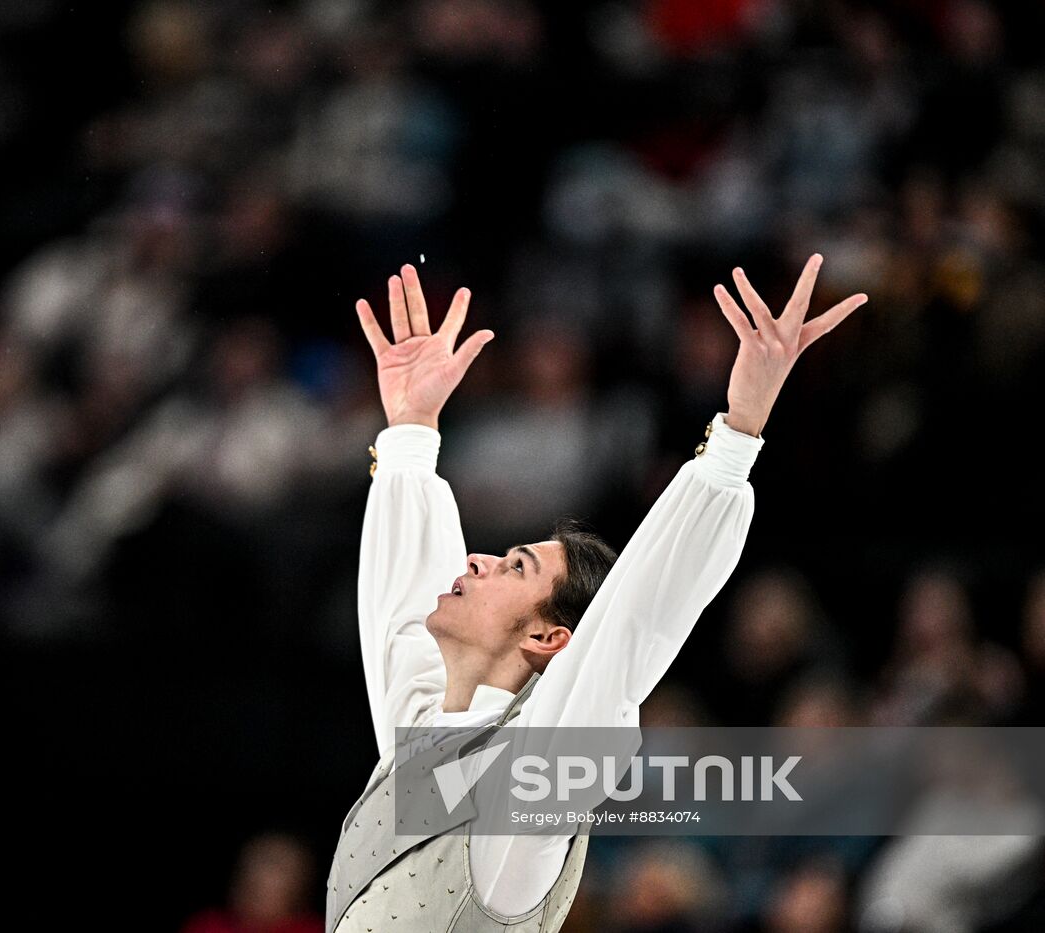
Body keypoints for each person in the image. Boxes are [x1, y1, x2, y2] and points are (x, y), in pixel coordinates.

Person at [327, 258, 867, 932]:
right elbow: (400, 606)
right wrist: (410, 428)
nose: (478, 558)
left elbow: (633, 621)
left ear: (549, 638)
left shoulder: (529, 788)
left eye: (515, 566)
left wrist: (738, 431)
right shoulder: (421, 748)